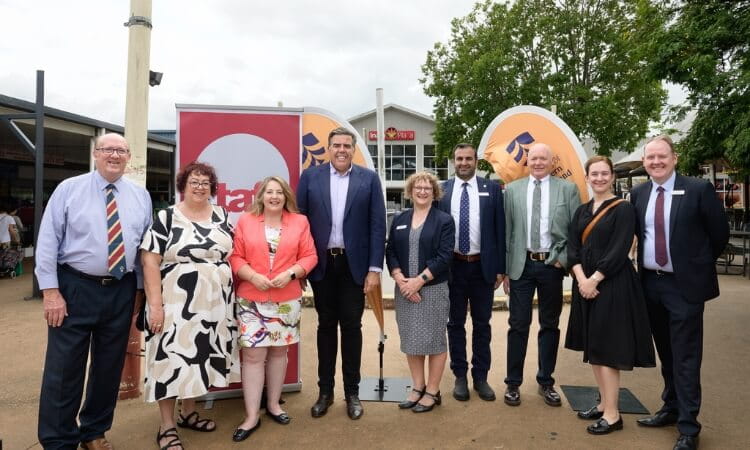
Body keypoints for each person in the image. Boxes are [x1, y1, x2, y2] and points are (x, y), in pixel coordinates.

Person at [35, 133, 152, 450]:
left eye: (121, 150)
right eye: (108, 149)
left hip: (121, 289)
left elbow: (144, 250)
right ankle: (59, 439)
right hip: (74, 287)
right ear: (95, 154)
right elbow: (47, 241)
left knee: (108, 367)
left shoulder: (141, 197)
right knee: (64, 368)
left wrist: (140, 294)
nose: (114, 155)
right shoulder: (69, 190)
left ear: (129, 157)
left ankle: (94, 431)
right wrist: (50, 292)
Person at [630, 135, 728, 450]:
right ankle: (670, 408)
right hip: (651, 285)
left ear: (674, 158)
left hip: (684, 287)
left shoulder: (698, 189)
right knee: (667, 353)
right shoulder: (638, 193)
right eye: (650, 158)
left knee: (686, 356)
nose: (656, 162)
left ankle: (689, 427)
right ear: (644, 162)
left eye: (661, 156)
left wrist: (695, 266)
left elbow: (719, 235)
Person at [140, 161, 240, 449]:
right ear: (183, 185)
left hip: (214, 307)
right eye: (194, 181)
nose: (200, 187)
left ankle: (189, 412)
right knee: (170, 360)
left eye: (205, 182)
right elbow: (149, 260)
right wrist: (155, 305)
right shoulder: (166, 217)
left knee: (198, 357)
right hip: (175, 303)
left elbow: (235, 252)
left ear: (212, 188)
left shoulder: (222, 215)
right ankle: (167, 427)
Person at [297, 127, 386, 420]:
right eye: (336, 145)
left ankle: (352, 393)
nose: (342, 150)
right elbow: (300, 223)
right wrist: (301, 266)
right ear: (329, 147)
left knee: (351, 328)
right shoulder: (310, 177)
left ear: (353, 149)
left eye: (347, 145)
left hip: (354, 266)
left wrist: (374, 269)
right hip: (322, 265)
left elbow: (377, 226)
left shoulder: (369, 179)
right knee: (325, 327)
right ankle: (325, 392)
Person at [564, 156, 656, 435]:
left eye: (605, 173)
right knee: (594, 348)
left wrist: (594, 279)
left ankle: (614, 414)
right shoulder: (581, 210)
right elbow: (572, 249)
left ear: (612, 177)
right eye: (595, 174)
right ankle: (604, 403)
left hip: (612, 285)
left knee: (607, 350)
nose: (600, 178)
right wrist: (581, 279)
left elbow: (619, 251)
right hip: (585, 286)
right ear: (587, 177)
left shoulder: (623, 209)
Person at [229, 176, 317, 441]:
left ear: (286, 196)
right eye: (269, 192)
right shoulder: (245, 220)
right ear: (261, 196)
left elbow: (310, 255)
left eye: (279, 192)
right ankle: (251, 415)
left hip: (285, 299)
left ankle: (274, 404)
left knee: (279, 353)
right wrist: (253, 276)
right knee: (254, 357)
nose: (274, 196)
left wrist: (291, 273)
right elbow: (235, 256)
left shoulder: (299, 222)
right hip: (251, 298)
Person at [503, 142, 581, 407]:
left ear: (551, 161)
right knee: (518, 325)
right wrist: (504, 271)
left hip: (551, 267)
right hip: (520, 266)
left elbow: (576, 231)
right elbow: (507, 231)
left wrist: (562, 261)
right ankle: (513, 383)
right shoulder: (512, 190)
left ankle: (546, 381)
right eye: (533, 158)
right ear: (528, 161)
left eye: (543, 159)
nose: (537, 162)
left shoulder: (567, 189)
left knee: (550, 325)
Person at [436, 143, 505, 402]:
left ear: (476, 161)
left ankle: (481, 377)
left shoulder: (492, 189)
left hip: (482, 268)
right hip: (452, 267)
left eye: (468, 158)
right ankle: (460, 376)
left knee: (481, 324)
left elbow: (500, 229)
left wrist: (501, 268)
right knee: (454, 324)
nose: (463, 163)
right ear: (453, 161)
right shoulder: (442, 190)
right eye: (459, 158)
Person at [387, 172, 454, 413]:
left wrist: (419, 281)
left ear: (434, 192)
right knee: (411, 339)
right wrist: (399, 278)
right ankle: (417, 387)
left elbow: (445, 256)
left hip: (433, 290)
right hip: (404, 289)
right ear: (410, 191)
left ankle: (433, 391)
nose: (422, 191)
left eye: (427, 188)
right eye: (418, 187)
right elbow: (391, 250)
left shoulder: (444, 220)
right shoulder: (399, 218)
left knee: (434, 340)